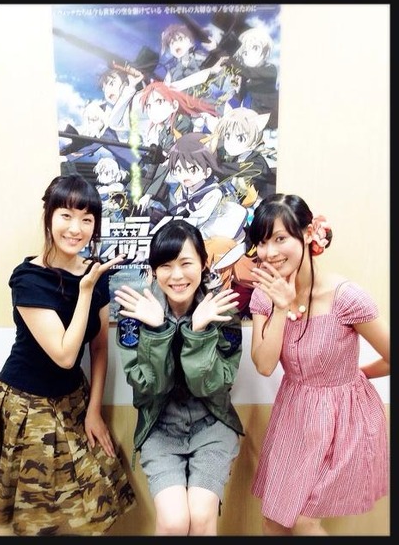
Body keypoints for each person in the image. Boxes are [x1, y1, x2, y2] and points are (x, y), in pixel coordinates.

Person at [0, 174, 136, 537]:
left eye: (87, 219)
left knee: (94, 501)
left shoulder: (95, 273)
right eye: (66, 215)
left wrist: (94, 410)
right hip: (27, 403)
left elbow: (99, 346)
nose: (76, 229)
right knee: (33, 515)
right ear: (49, 217)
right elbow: (65, 355)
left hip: (75, 399)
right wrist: (85, 291)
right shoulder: (28, 278)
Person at [247, 193, 389, 536]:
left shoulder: (346, 298)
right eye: (262, 242)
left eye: (280, 238)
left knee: (303, 521)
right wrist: (281, 307)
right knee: (274, 520)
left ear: (308, 233)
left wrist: (357, 376)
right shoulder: (265, 295)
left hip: (343, 419)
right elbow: (264, 365)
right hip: (293, 415)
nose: (270, 252)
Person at [114, 219, 244, 536]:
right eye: (165, 265)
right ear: (154, 270)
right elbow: (149, 388)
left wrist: (199, 332)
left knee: (201, 518)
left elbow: (214, 386)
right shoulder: (135, 313)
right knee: (173, 522)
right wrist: (158, 330)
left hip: (212, 424)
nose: (176, 275)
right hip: (161, 427)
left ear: (204, 263)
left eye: (186, 263)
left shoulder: (222, 311)